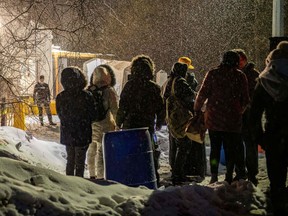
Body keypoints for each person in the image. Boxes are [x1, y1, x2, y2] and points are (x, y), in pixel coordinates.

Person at [194, 50, 249, 184]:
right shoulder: (240, 76)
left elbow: (202, 93)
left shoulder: (213, 74)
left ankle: (213, 175)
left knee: (215, 148)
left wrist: (197, 109)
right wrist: (239, 110)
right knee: (230, 149)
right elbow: (246, 99)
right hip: (232, 120)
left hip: (214, 119)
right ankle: (229, 175)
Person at [249, 41, 288, 215]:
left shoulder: (265, 80)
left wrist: (260, 137)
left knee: (276, 180)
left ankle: (278, 208)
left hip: (274, 135)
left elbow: (254, 114)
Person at [116, 55, 165, 186]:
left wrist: (118, 122)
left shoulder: (129, 86)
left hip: (130, 126)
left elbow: (123, 106)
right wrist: (159, 122)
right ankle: (152, 178)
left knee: (131, 154)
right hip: (146, 127)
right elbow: (160, 108)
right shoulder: (154, 88)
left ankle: (131, 180)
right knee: (149, 153)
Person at [56, 67, 97, 177]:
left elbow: (60, 115)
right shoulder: (87, 96)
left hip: (68, 133)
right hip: (83, 133)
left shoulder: (60, 97)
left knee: (70, 160)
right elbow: (93, 114)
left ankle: (69, 184)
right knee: (80, 161)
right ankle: (79, 184)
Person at [163, 62, 196, 185]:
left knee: (178, 144)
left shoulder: (170, 81)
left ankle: (177, 172)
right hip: (181, 118)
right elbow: (190, 96)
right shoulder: (180, 81)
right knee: (185, 145)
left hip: (172, 117)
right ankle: (178, 174)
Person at [87, 64, 118, 179]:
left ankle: (91, 174)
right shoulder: (109, 91)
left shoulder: (89, 90)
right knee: (101, 152)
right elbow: (115, 110)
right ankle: (100, 176)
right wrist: (118, 124)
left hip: (91, 125)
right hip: (106, 126)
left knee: (91, 149)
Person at [233, 49, 260, 185]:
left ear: (243, 60)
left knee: (249, 145)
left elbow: (255, 97)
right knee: (241, 145)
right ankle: (241, 173)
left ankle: (251, 173)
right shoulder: (236, 74)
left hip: (249, 116)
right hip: (241, 115)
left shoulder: (252, 75)